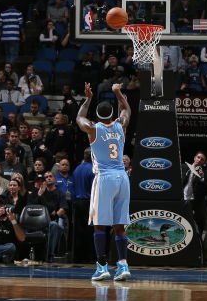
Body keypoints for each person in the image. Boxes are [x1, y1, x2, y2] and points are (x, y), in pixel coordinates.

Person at [78, 82, 132, 281]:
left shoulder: (93, 128)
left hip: (105, 178)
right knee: (119, 225)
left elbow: (79, 117)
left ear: (98, 116)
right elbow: (126, 109)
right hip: (122, 177)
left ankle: (102, 266)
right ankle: (123, 265)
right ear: (111, 114)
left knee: (99, 225)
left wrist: (88, 98)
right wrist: (118, 93)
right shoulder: (120, 125)